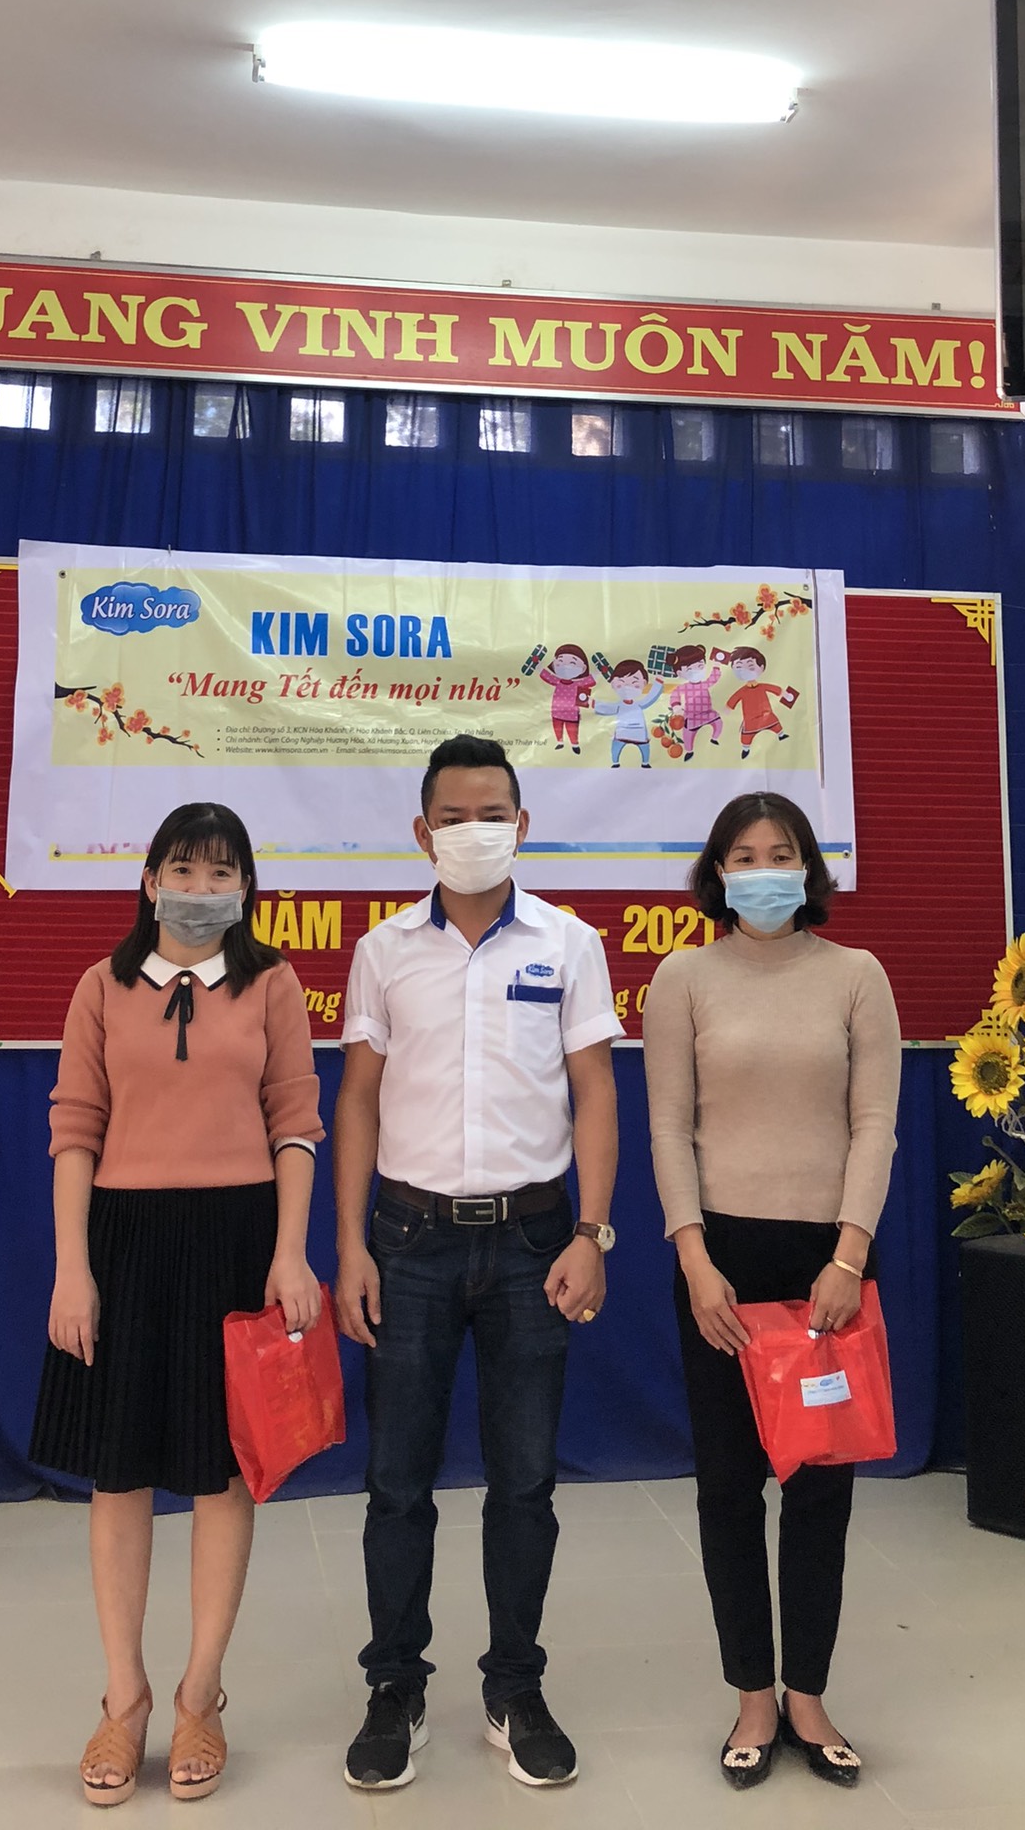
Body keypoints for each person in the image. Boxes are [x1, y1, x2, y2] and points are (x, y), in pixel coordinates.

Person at [333, 733, 623, 1793]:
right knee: (396, 1483)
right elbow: (357, 1100)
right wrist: (349, 1242)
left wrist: (593, 1233)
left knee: (526, 1482)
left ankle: (515, 1687)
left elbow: (595, 1092)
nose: (472, 831)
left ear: (523, 825)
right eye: (452, 817)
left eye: (491, 814)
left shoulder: (569, 942)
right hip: (407, 1241)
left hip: (535, 1243)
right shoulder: (383, 950)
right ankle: (394, 1687)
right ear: (422, 832)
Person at [32, 801, 324, 1807]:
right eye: (184, 870)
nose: (202, 890)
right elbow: (75, 1128)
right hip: (124, 1241)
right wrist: (73, 1269)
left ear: (247, 886)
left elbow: (295, 1122)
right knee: (118, 1476)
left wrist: (290, 1252)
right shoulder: (102, 986)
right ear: (150, 879)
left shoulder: (272, 982)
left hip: (238, 1241)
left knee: (218, 1473)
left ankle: (202, 1693)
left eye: (221, 872)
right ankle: (125, 1698)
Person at [643, 794, 901, 1791]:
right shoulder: (684, 978)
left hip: (829, 1265)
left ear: (808, 868)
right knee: (726, 1486)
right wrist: (693, 1257)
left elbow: (873, 1122)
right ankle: (753, 1694)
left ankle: (809, 1695)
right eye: (744, 856)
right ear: (718, 871)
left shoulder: (857, 975)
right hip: (721, 1263)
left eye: (780, 852)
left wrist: (850, 1255)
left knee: (821, 1488)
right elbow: (669, 1127)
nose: (763, 871)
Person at [591, 656, 664, 769]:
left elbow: (651, 696)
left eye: (635, 684)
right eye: (620, 684)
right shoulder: (620, 705)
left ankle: (645, 762)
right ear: (613, 685)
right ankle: (615, 762)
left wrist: (658, 681)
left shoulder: (638, 704)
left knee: (644, 747)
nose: (627, 688)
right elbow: (606, 707)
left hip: (639, 733)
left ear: (644, 683)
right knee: (617, 747)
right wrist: (590, 702)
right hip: (622, 733)